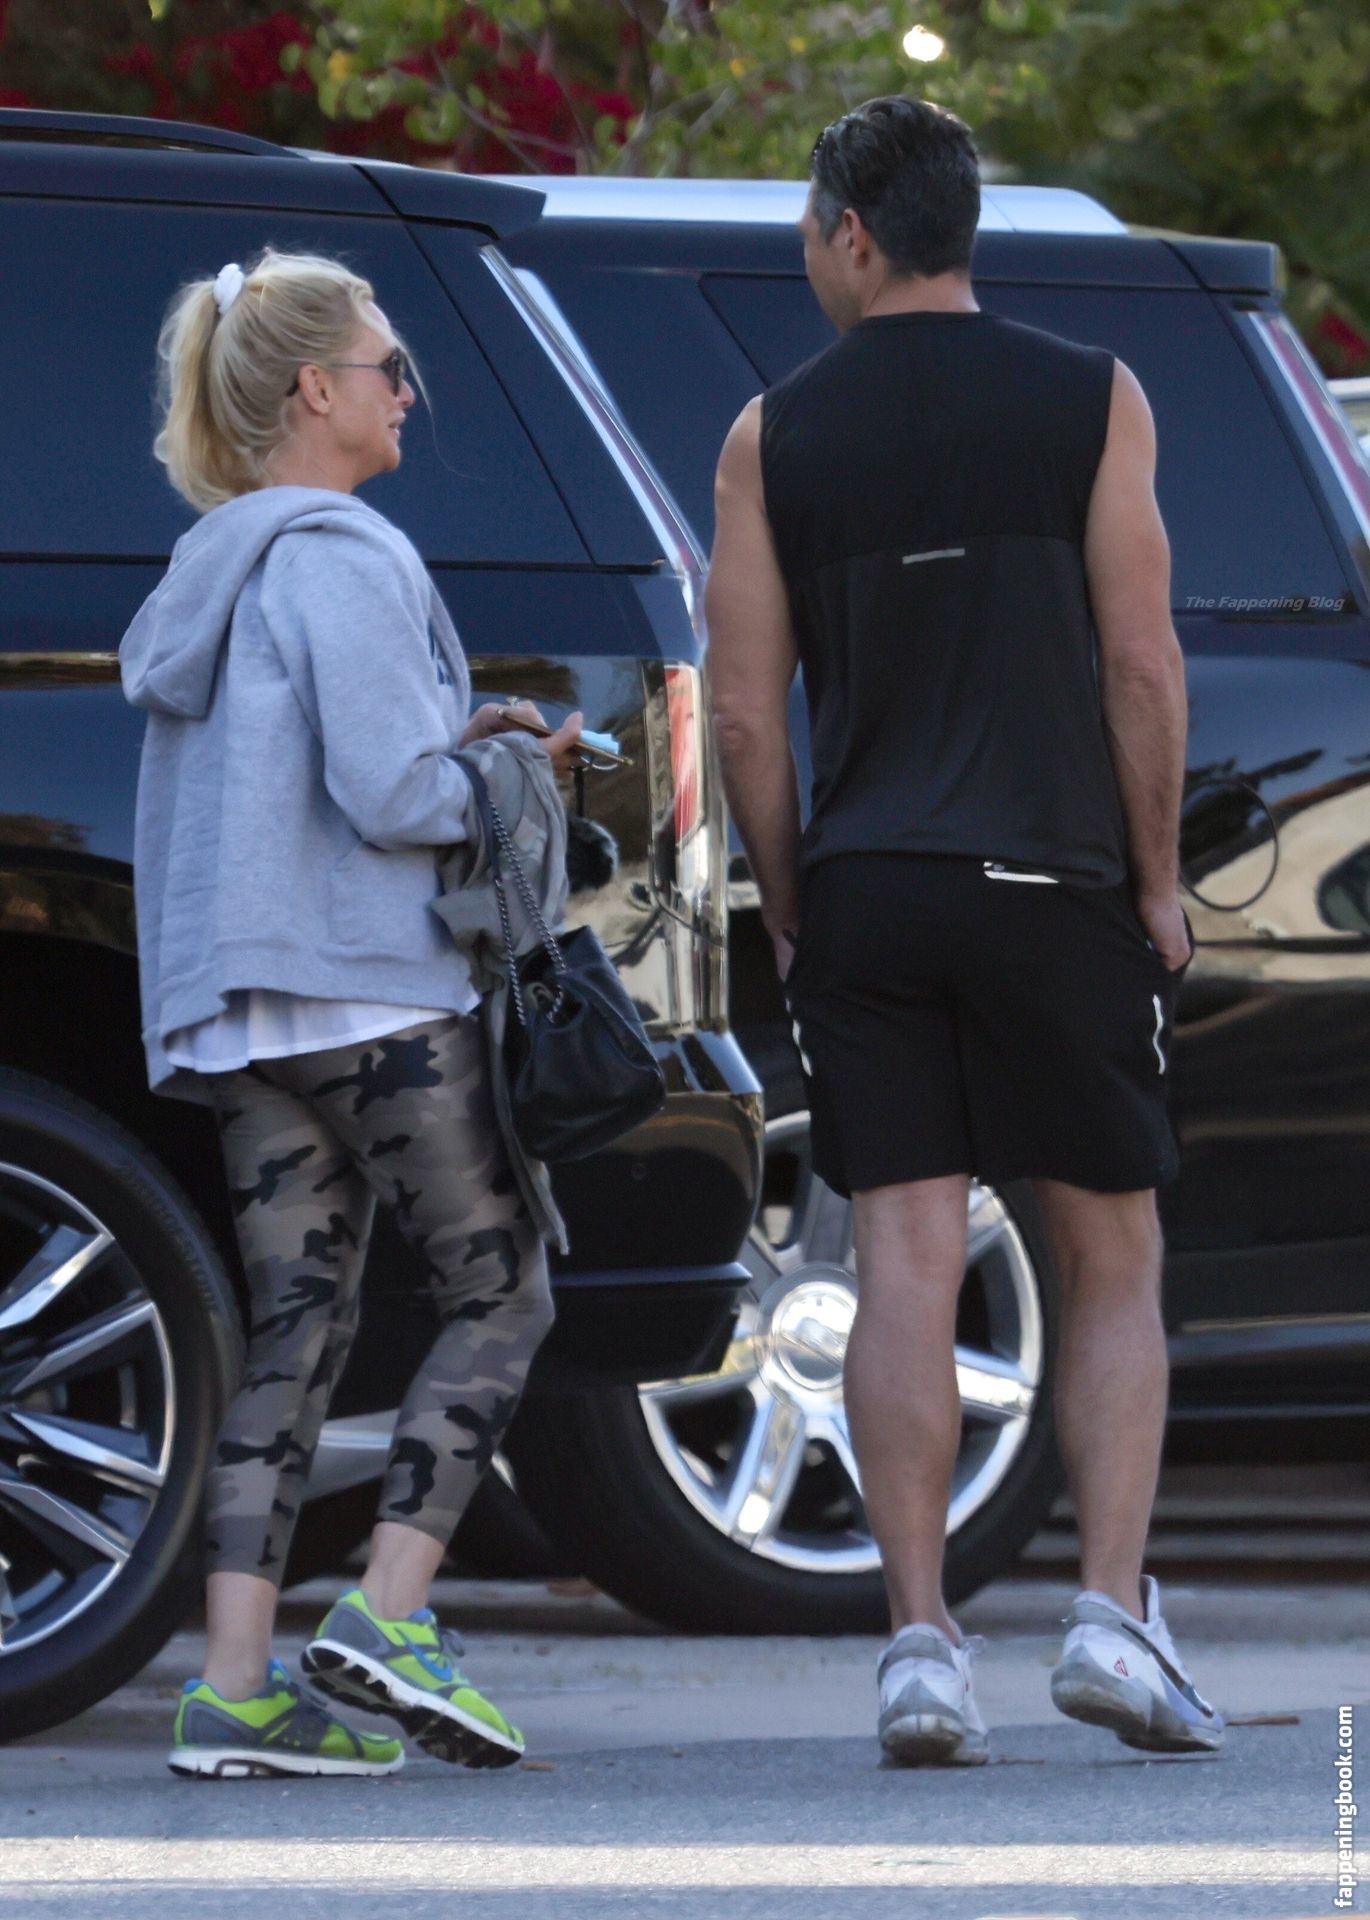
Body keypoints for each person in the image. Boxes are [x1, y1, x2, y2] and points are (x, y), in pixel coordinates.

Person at [705, 97, 1223, 1767]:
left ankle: (919, 1646)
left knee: (904, 1260)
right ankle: (1109, 1616)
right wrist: (1153, 883)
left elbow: (740, 714)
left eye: (807, 231)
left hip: (870, 886)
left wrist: (796, 899)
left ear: (853, 235)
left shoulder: (771, 435)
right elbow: (1139, 663)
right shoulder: (1091, 397)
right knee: (1108, 1252)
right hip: (1050, 882)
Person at [119, 247, 584, 1780]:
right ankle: (388, 1615)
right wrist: (510, 769)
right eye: (390, 367)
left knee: (295, 1332)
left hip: (240, 1008)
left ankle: (233, 1691)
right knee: (501, 1290)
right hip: (368, 987)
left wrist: (456, 736)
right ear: (315, 389)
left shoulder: (209, 572)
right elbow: (391, 796)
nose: (407, 393)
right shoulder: (347, 553)